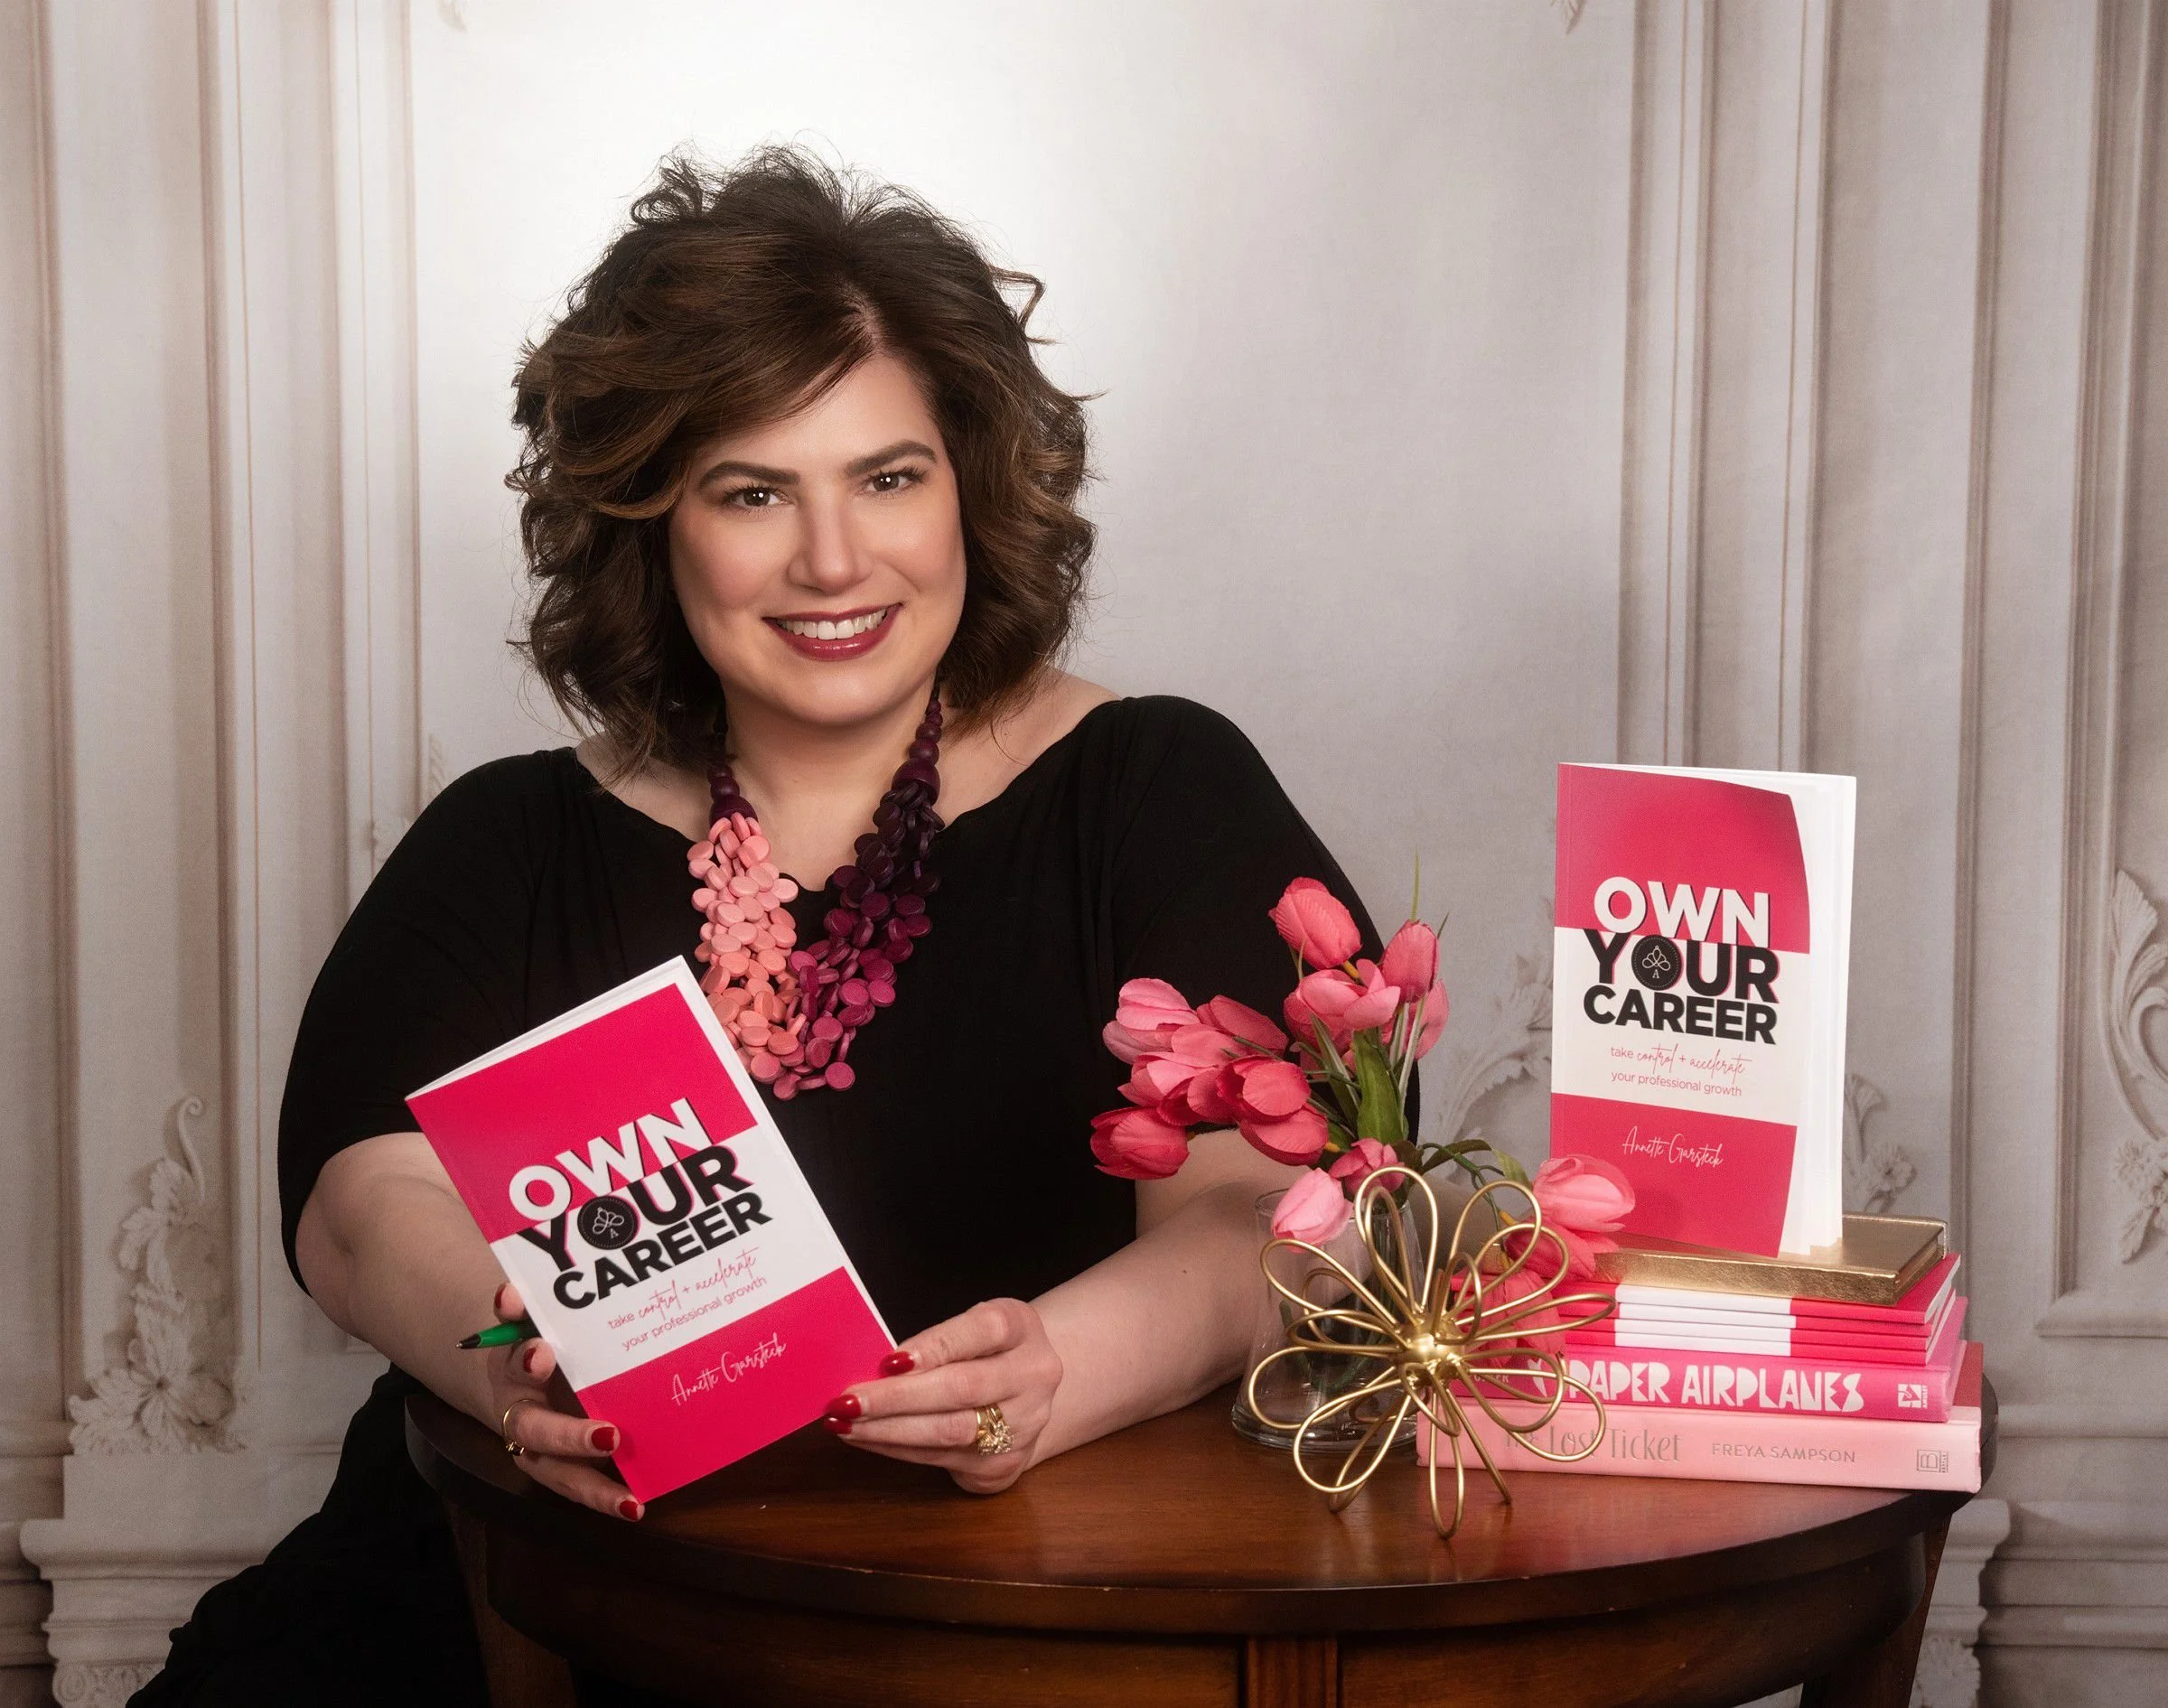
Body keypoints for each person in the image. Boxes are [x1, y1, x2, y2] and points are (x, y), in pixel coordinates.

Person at [136, 146, 1393, 1707]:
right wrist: (514, 1348)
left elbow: (1252, 1218)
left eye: (887, 476)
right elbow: (355, 1189)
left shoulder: (1154, 786)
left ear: (972, 486)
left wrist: (1058, 1368)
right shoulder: (511, 837)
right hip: (511, 1601)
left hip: (1016, 1631)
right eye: (752, 492)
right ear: (651, 525)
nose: (832, 560)